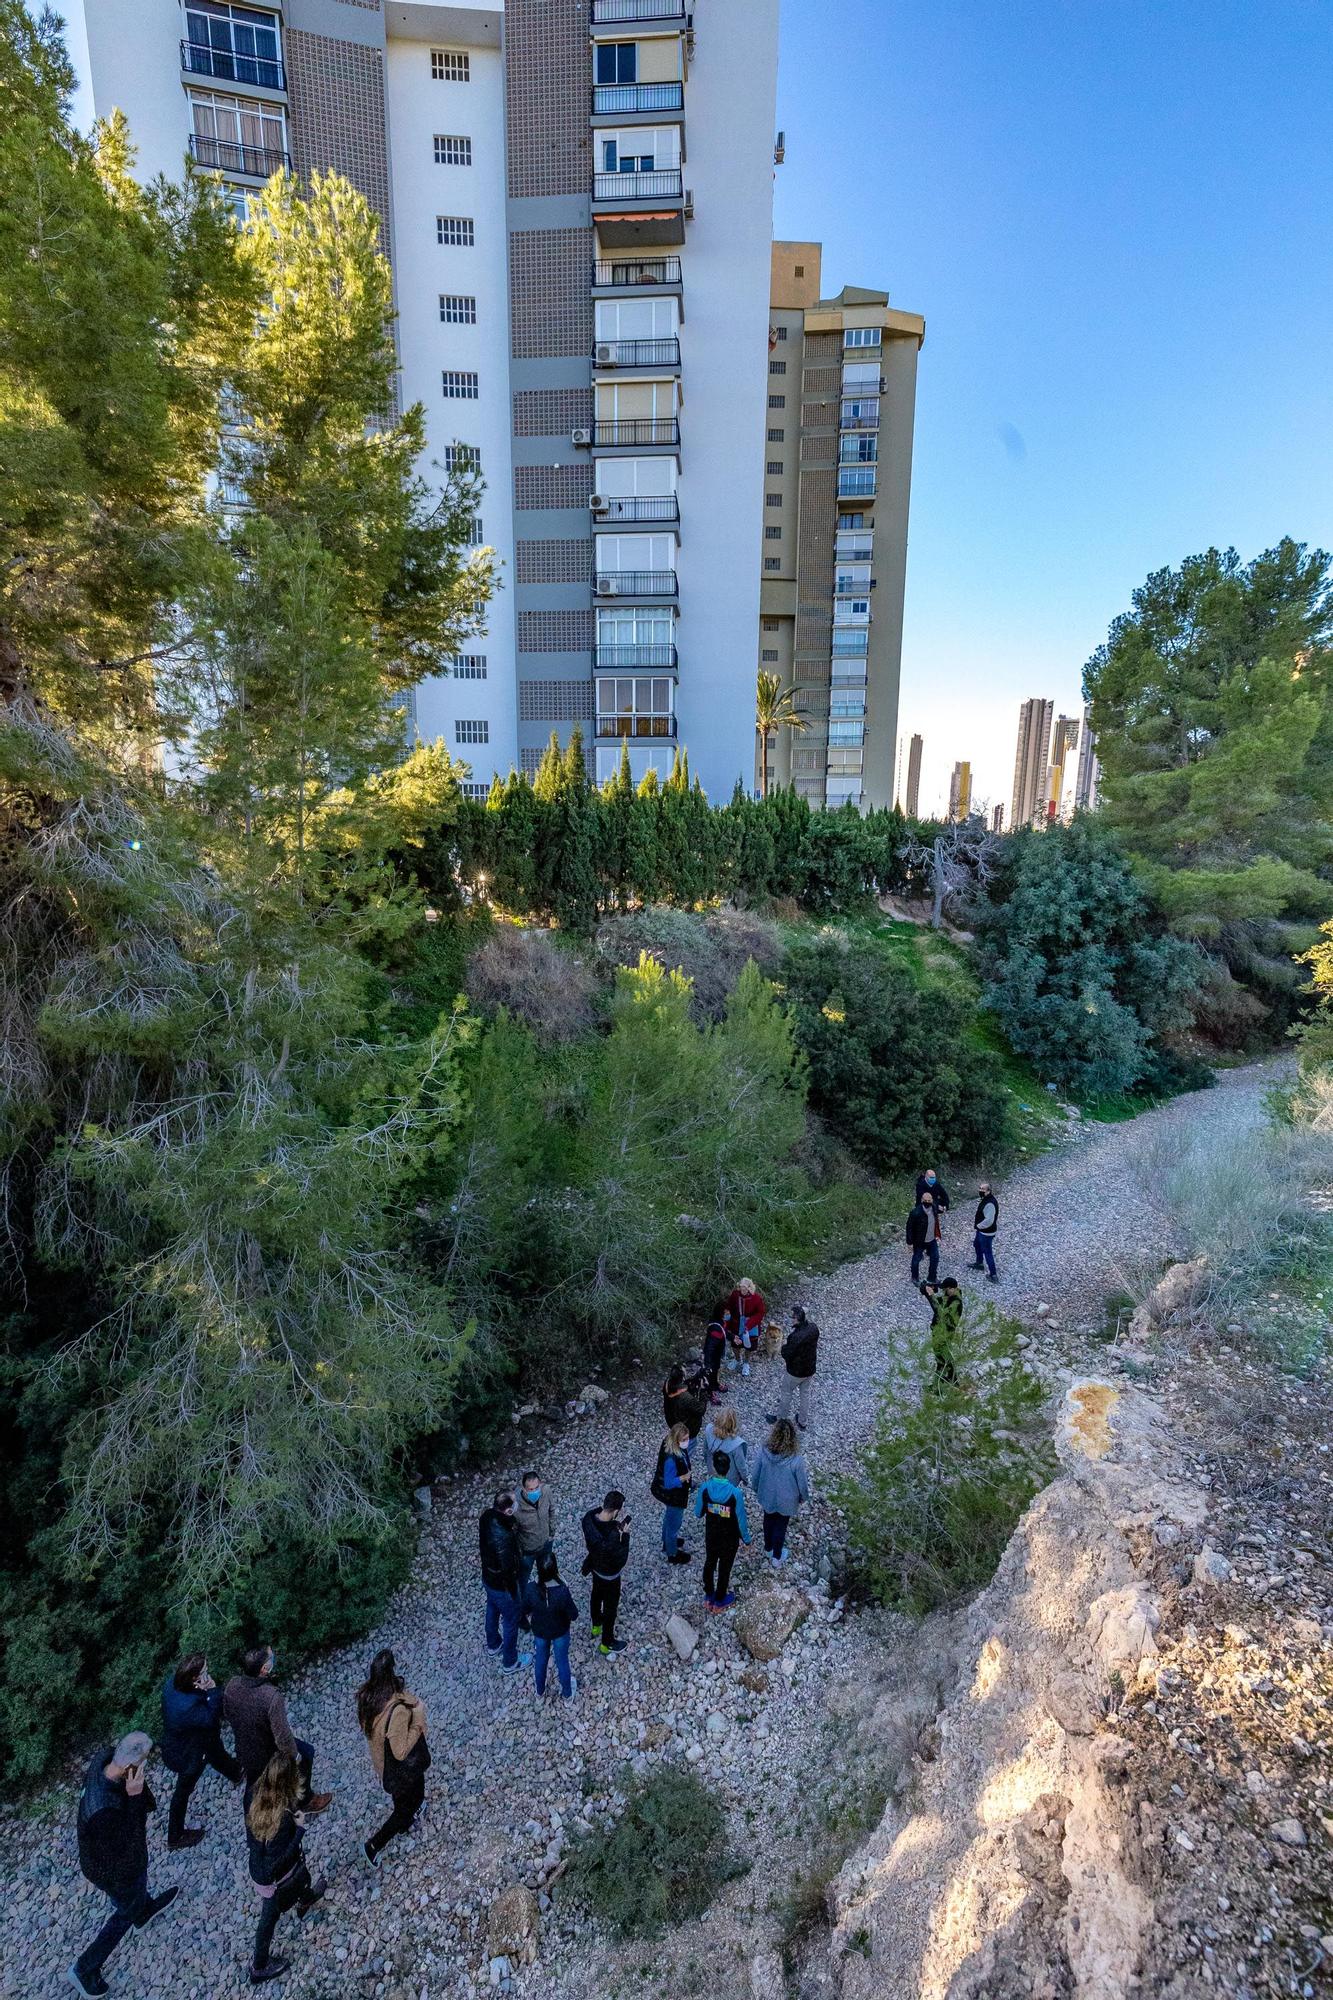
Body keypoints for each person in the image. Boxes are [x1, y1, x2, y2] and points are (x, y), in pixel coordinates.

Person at [68, 1731, 179, 1999]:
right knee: (123, 1912)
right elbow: (131, 1839)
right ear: (130, 1768)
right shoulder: (103, 1812)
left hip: (104, 1858)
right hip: (112, 1869)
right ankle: (85, 1967)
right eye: (143, 1763)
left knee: (132, 1896)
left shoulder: (103, 1760)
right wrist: (135, 1796)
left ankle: (143, 1910)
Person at [245, 1752, 327, 1985]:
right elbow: (279, 1860)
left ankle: (306, 1899)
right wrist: (299, 1829)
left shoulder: (255, 1796)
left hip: (257, 1865)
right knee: (269, 1918)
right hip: (271, 1877)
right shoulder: (280, 1818)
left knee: (303, 1877)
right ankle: (259, 1966)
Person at [223, 1646, 332, 1814]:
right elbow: (282, 1736)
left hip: (244, 1749)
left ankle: (254, 1814)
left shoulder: (232, 1685)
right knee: (306, 1755)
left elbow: (228, 1713)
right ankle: (305, 1801)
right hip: (267, 1751)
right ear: (264, 1669)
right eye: (270, 1658)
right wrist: (294, 1756)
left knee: (254, 1785)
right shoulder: (271, 1697)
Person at [160, 1651, 242, 1849]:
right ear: (194, 1678)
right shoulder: (186, 1706)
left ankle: (236, 1773)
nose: (208, 1673)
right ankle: (175, 1835)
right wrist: (212, 1691)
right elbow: (209, 1718)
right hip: (189, 1752)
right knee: (183, 1789)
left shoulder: (172, 1684)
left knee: (217, 1753)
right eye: (205, 1671)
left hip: (197, 1741)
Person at [356, 1649, 430, 1867]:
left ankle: (406, 1822)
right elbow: (401, 1750)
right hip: (403, 1768)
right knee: (409, 1802)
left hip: (383, 1766)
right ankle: (374, 1845)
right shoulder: (395, 1711)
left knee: (401, 1800)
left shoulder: (366, 1697)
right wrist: (418, 1720)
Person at [478, 1490, 529, 1674]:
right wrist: (514, 1594)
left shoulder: (486, 1516)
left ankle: (493, 1644)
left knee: (492, 1608)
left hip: (488, 1578)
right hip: (503, 1585)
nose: (517, 1504)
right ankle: (510, 1661)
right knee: (510, 1620)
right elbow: (508, 1568)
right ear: (507, 1510)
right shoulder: (504, 1537)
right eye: (514, 1503)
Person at [694, 1450, 751, 1609]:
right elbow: (741, 1520)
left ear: (713, 1467)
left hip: (711, 1534)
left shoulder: (705, 1488)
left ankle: (709, 1594)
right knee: (725, 1568)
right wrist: (746, 1539)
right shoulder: (735, 1493)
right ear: (728, 1468)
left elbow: (698, 1513)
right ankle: (720, 1600)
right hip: (729, 1538)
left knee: (710, 1562)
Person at [751, 1418, 810, 1566]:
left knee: (768, 1520)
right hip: (787, 1499)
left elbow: (755, 1474)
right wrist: (804, 1497)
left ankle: (768, 1548)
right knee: (781, 1526)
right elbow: (801, 1482)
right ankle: (777, 1557)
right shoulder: (796, 1459)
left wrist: (756, 1487)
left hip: (767, 1494)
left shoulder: (763, 1451)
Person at [580, 1489, 631, 1654]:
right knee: (611, 1607)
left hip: (595, 1567)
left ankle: (596, 1625)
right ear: (616, 1511)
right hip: (611, 1576)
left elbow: (596, 1515)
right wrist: (626, 1536)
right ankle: (606, 1642)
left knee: (595, 1595)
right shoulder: (613, 1534)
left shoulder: (588, 1519)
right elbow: (621, 1559)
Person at [524, 1552, 579, 1698]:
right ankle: (567, 1694)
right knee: (562, 1661)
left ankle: (540, 1692)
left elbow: (524, 1610)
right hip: (560, 1631)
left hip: (540, 1632)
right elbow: (574, 1615)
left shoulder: (530, 1589)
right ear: (555, 1569)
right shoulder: (562, 1591)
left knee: (541, 1660)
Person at [766, 1305, 819, 1430]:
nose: (791, 1319)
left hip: (795, 1372)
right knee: (805, 1394)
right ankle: (802, 1421)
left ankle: (780, 1419)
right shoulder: (814, 1329)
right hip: (810, 1369)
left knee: (786, 1393)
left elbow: (786, 1353)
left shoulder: (795, 1337)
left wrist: (784, 1347)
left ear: (797, 1319)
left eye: (793, 1317)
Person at [514, 1468, 555, 1624]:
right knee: (522, 1582)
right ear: (523, 1489)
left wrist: (552, 1532)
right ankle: (521, 1613)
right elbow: (513, 1532)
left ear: (540, 1484)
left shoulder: (546, 1492)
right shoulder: (516, 1507)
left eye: (536, 1488)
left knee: (545, 1576)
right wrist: (519, 1551)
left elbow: (552, 1510)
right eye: (530, 1489)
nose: (534, 1491)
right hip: (527, 1551)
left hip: (545, 1544)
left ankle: (542, 1603)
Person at [651, 1420, 694, 1564]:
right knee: (674, 1524)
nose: (687, 1442)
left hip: (671, 1495)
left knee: (668, 1520)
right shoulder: (671, 1459)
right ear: (676, 1440)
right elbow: (669, 1483)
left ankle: (667, 1541)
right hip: (674, 1496)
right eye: (684, 1440)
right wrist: (683, 1478)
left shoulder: (669, 1446)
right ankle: (672, 1553)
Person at [662, 1361, 708, 1460]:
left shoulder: (667, 1384)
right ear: (682, 1378)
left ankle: (675, 1454)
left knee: (677, 1443)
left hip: (673, 1422)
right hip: (688, 1430)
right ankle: (682, 1466)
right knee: (686, 1452)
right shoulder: (686, 1398)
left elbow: (680, 1388)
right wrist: (704, 1392)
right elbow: (701, 1409)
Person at [922, 1276, 963, 1384]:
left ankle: (949, 1381)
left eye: (945, 1289)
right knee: (941, 1357)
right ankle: (946, 1381)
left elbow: (941, 1313)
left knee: (943, 1357)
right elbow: (939, 1303)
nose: (944, 1292)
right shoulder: (950, 1296)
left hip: (945, 1332)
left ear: (952, 1289)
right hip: (940, 1331)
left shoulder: (956, 1302)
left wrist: (931, 1296)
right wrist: (928, 1293)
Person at [724, 1279, 766, 1375]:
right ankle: (737, 1359)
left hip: (751, 1326)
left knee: (749, 1345)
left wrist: (750, 1324)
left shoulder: (756, 1298)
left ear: (749, 1288)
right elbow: (729, 1306)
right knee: (735, 1343)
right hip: (736, 1323)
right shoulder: (735, 1295)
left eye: (744, 1288)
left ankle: (746, 1363)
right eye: (741, 1287)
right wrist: (727, 1313)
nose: (742, 1290)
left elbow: (760, 1313)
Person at [702, 1404, 751, 1486]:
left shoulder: (709, 1430)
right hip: (729, 1479)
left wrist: (708, 1465)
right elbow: (741, 1466)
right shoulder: (737, 1444)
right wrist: (745, 1478)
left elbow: (705, 1450)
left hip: (713, 1470)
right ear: (734, 1423)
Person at [906, 1189, 939, 1285]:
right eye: (925, 1200)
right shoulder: (915, 1212)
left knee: (935, 1258)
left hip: (932, 1239)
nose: (927, 1202)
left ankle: (932, 1277)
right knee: (916, 1258)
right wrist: (909, 1243)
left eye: (929, 1200)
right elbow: (909, 1228)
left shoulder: (934, 1208)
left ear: (932, 1200)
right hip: (919, 1241)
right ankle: (914, 1277)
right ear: (921, 1200)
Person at [971, 1182, 999, 1282]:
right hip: (982, 1231)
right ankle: (979, 1263)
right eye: (980, 1188)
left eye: (983, 1189)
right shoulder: (986, 1199)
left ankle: (993, 1274)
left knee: (988, 1252)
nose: (981, 1191)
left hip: (986, 1232)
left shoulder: (990, 1203)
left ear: (989, 1191)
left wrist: (979, 1226)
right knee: (976, 1244)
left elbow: (989, 1220)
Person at [701, 1317, 729, 1402]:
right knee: (710, 1372)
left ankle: (715, 1384)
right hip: (711, 1355)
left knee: (716, 1369)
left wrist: (732, 1337)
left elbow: (725, 1333)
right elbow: (709, 1347)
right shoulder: (715, 1327)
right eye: (726, 1312)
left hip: (717, 1353)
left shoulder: (721, 1323)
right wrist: (707, 1363)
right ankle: (710, 1392)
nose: (728, 1314)